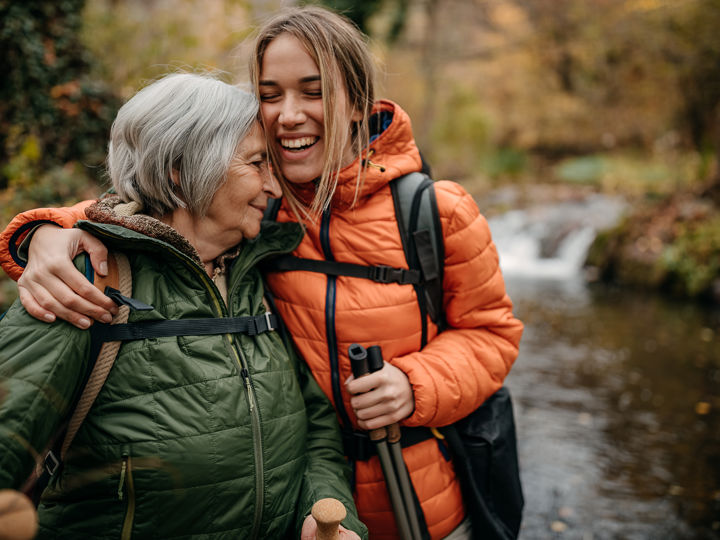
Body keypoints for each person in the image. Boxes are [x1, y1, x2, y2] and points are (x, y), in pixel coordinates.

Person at [0, 6, 524, 539]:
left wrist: (417, 384)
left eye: (313, 91)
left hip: (416, 499)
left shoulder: (435, 212)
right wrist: (46, 231)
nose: (287, 115)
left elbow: (493, 334)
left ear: (358, 102)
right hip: (295, 504)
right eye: (270, 94)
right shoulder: (254, 211)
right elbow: (153, 202)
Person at [0, 72, 366, 540]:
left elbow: (316, 432)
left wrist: (323, 514)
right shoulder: (85, 282)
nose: (275, 187)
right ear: (182, 169)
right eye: (257, 163)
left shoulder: (259, 278)